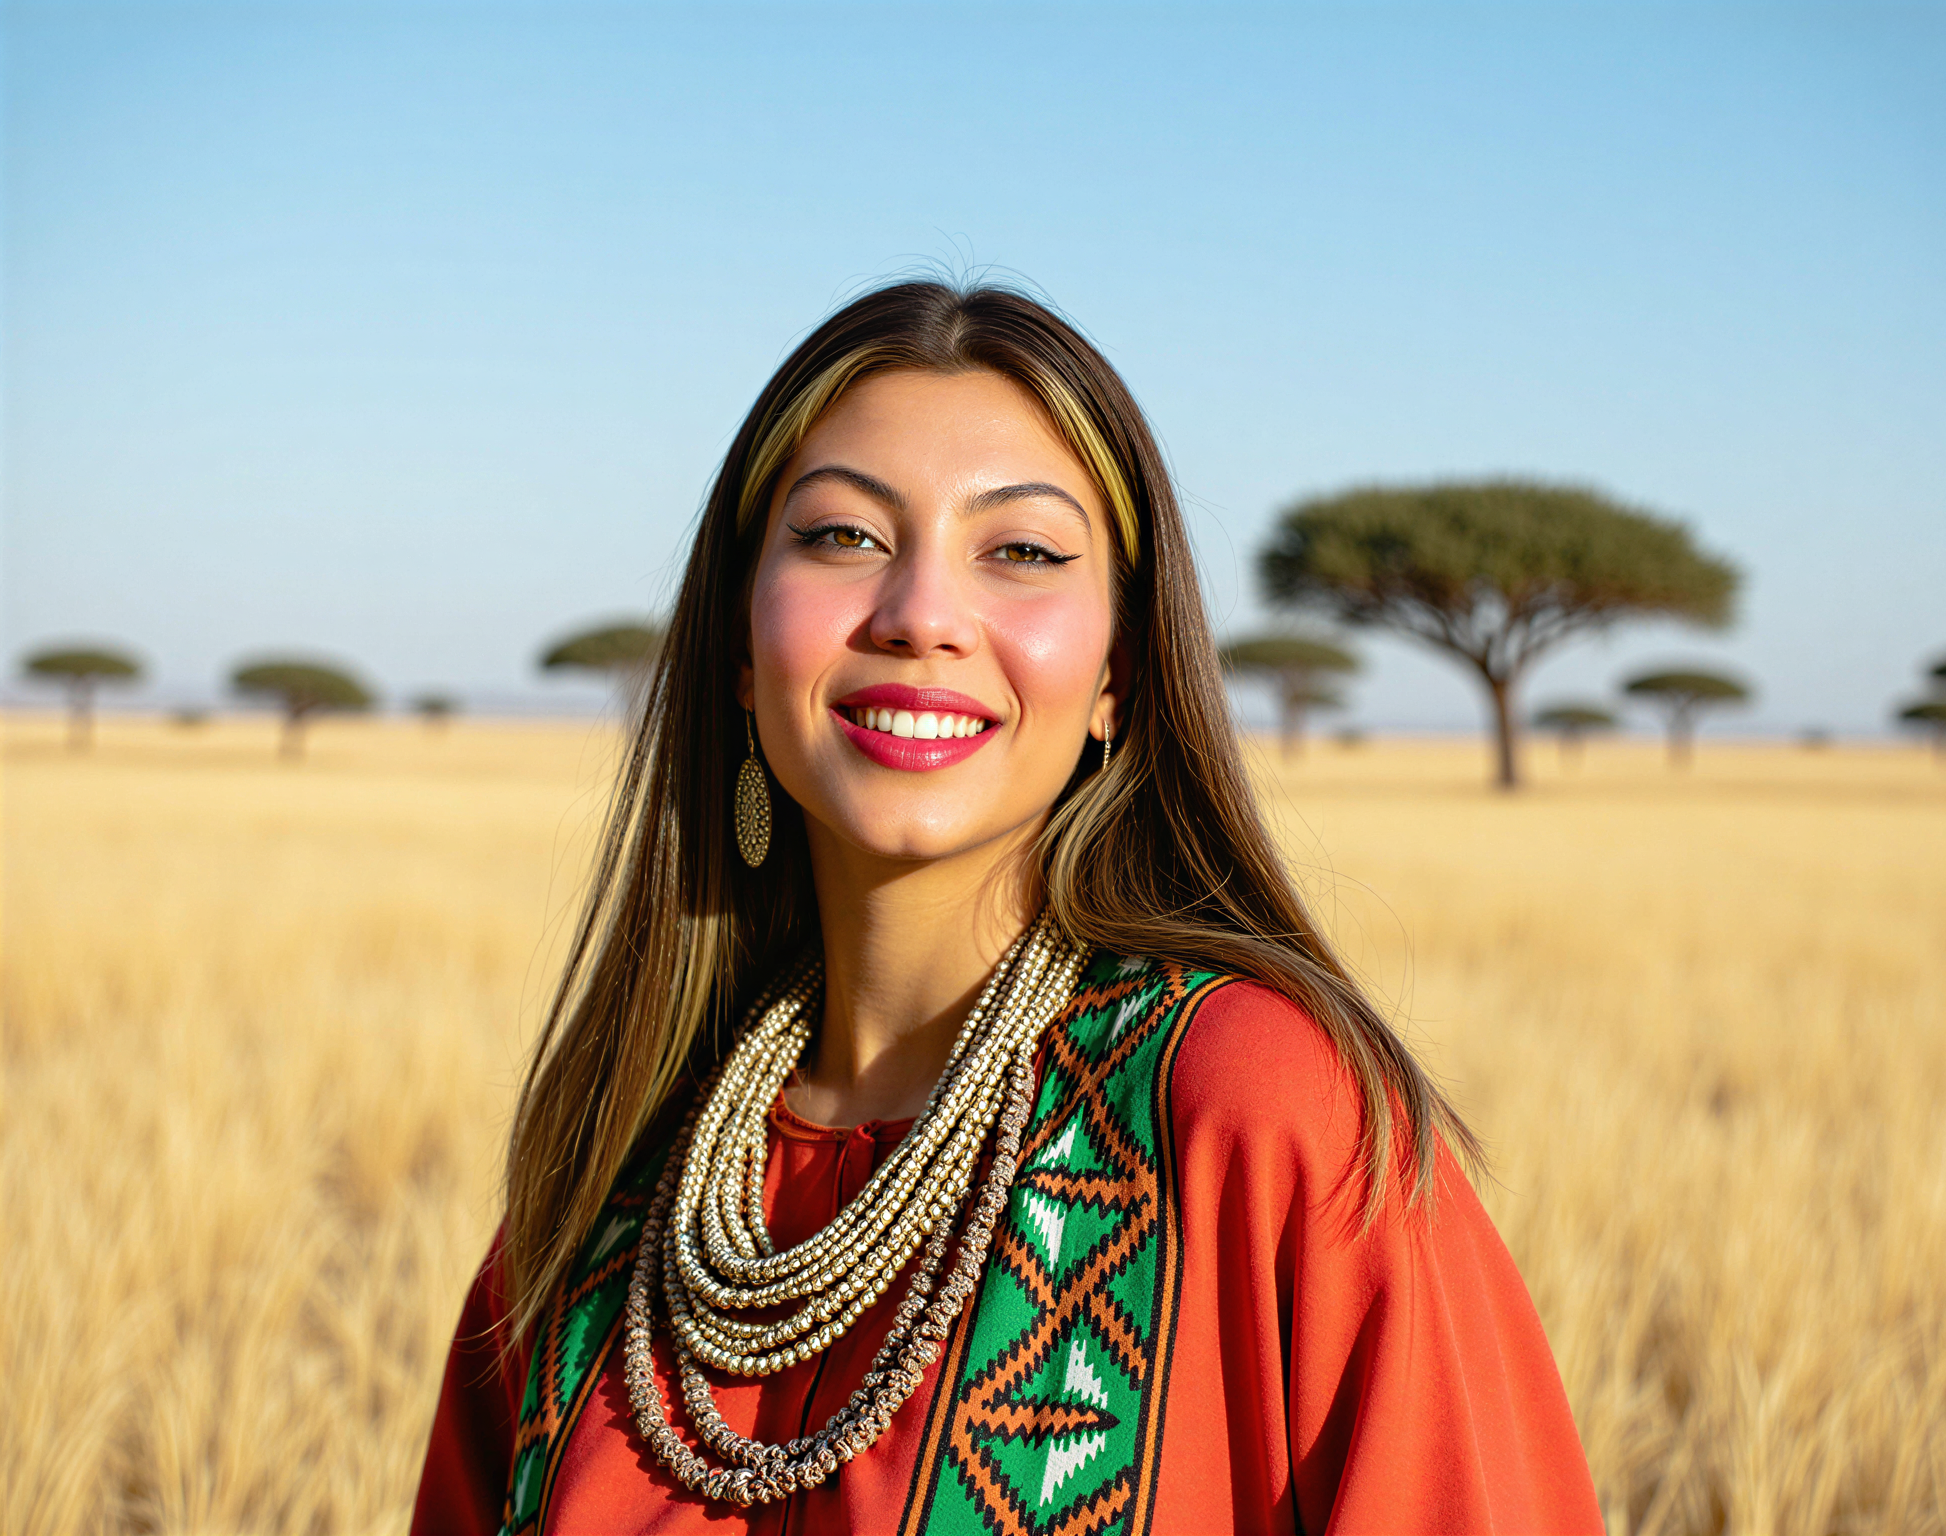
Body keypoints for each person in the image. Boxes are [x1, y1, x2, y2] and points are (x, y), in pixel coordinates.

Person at [412, 282, 1603, 1535]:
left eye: (1022, 552)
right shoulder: (606, 1199)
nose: (920, 614)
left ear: (1115, 678)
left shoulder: (1260, 1112)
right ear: (740, 657)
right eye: (842, 538)